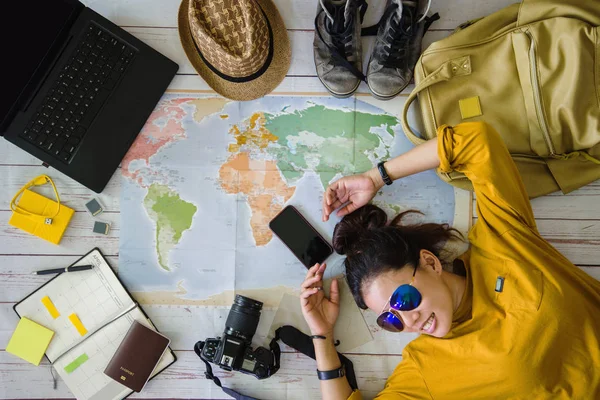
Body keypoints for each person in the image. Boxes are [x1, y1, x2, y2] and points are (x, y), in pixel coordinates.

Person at [299, 121, 600, 399]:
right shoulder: (427, 368)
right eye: (391, 319)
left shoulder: (501, 241)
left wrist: (376, 177)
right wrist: (322, 334)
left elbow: (476, 141)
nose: (409, 321)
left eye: (403, 300)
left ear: (429, 262)